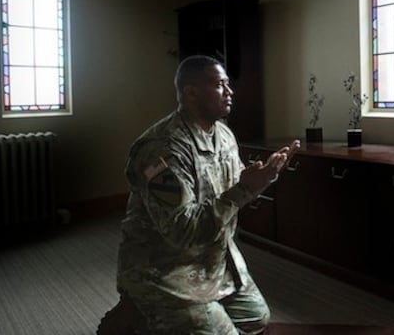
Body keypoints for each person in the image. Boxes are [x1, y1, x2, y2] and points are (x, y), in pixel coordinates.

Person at [98, 55, 300, 335]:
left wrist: (262, 180)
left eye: (229, 84)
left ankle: (163, 318)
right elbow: (181, 230)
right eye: (219, 85)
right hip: (165, 272)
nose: (230, 92)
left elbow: (233, 194)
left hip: (213, 263)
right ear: (191, 92)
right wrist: (244, 188)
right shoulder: (161, 150)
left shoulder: (224, 136)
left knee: (257, 319)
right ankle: (138, 314)